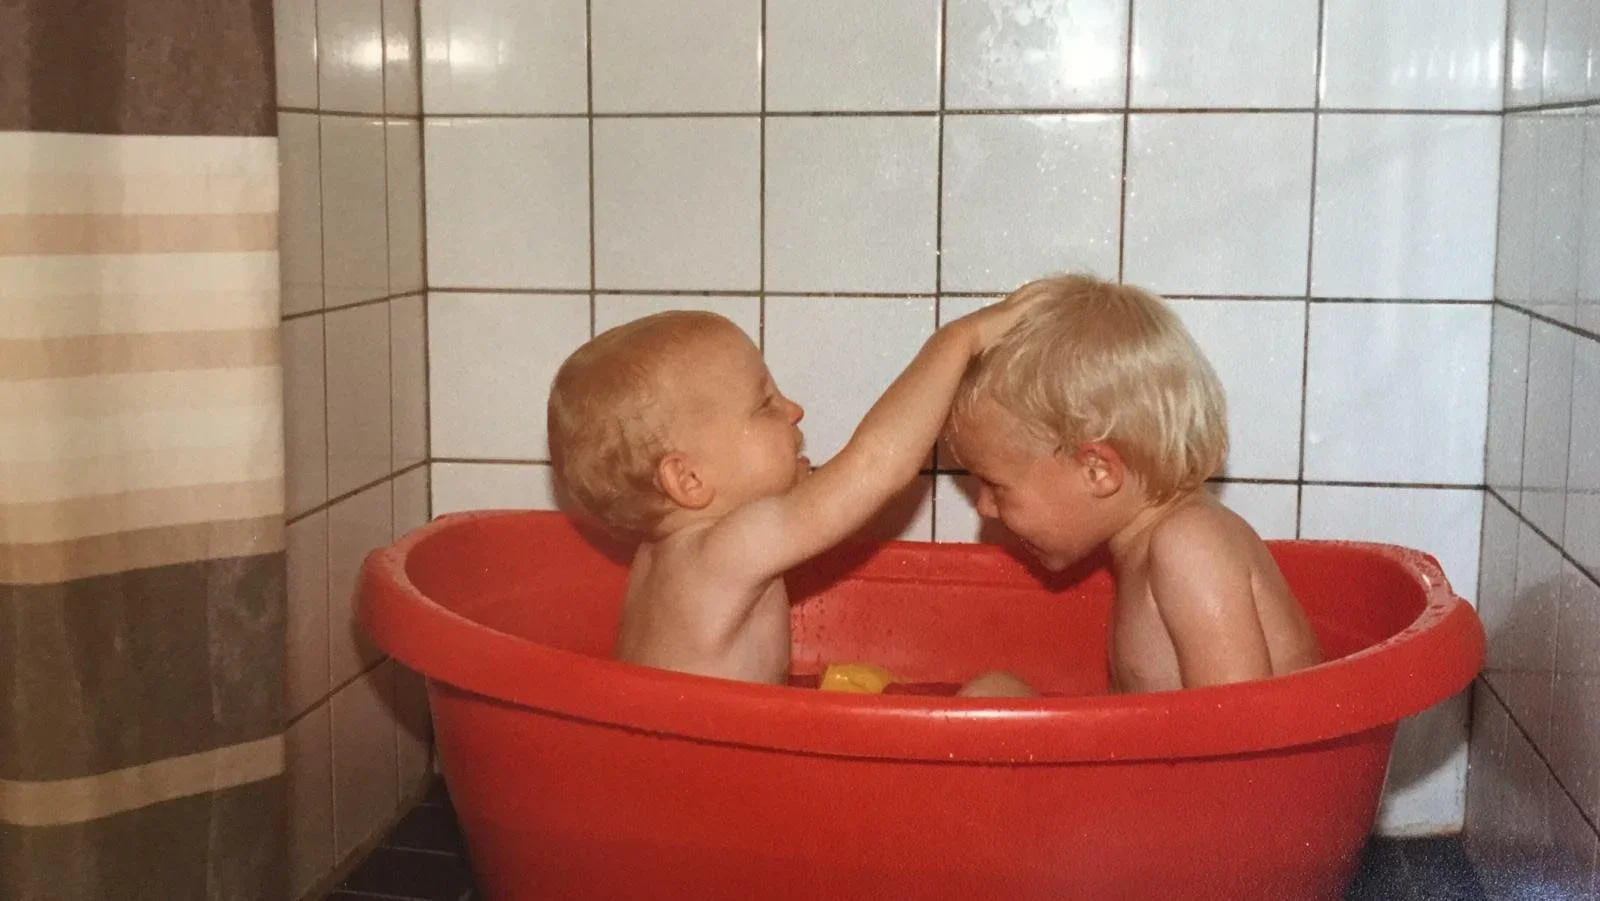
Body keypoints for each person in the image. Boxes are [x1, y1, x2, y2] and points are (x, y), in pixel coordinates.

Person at [547, 298, 1038, 697]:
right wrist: (959, 340)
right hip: (721, 793)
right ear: (689, 480)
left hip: (686, 784)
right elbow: (875, 468)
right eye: (765, 404)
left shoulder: (665, 558)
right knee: (999, 695)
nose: (795, 410)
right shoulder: (722, 553)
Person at [944, 274, 1324, 693]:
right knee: (998, 691)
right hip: (1180, 755)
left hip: (1251, 760)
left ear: (1097, 471)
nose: (984, 507)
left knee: (992, 698)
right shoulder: (1146, 550)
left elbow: (1236, 732)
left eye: (996, 486)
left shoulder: (1189, 545)